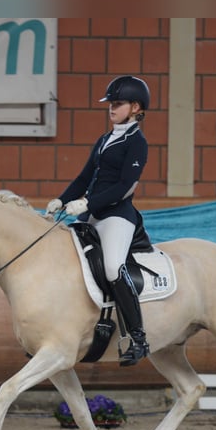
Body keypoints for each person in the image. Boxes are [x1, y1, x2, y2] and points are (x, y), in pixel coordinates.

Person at [46, 75, 151, 366]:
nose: (111, 109)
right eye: (111, 104)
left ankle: (138, 337)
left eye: (118, 104)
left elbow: (124, 187)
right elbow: (83, 177)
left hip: (117, 216)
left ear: (135, 107)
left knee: (112, 267)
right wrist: (62, 200)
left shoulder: (136, 142)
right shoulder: (105, 139)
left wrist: (88, 202)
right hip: (90, 215)